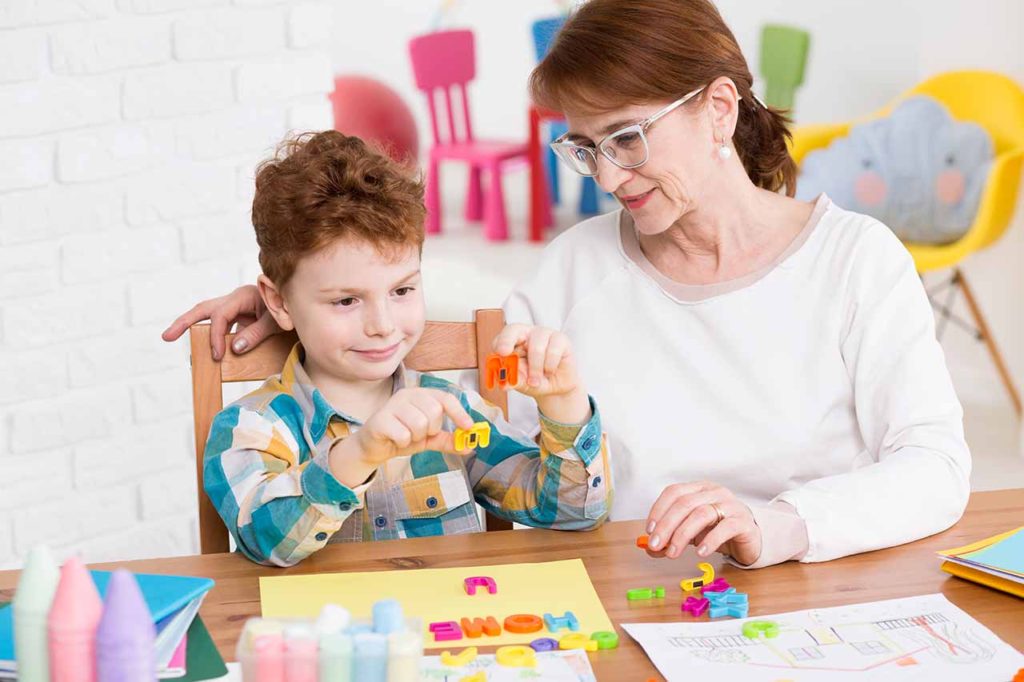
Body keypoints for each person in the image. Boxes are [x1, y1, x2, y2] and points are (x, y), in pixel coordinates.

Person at [165, 0, 969, 569]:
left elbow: (934, 467)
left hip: (820, 590)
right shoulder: (574, 267)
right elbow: (433, 339)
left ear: (719, 110)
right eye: (585, 148)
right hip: (630, 608)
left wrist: (779, 524)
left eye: (625, 138)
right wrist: (294, 307)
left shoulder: (856, 260)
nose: (609, 177)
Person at [200, 131, 610, 567]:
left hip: (450, 629)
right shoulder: (251, 428)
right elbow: (265, 539)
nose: (382, 326)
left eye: (402, 290)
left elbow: (571, 514)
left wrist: (563, 402)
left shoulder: (452, 412)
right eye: (345, 301)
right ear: (279, 302)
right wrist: (358, 453)